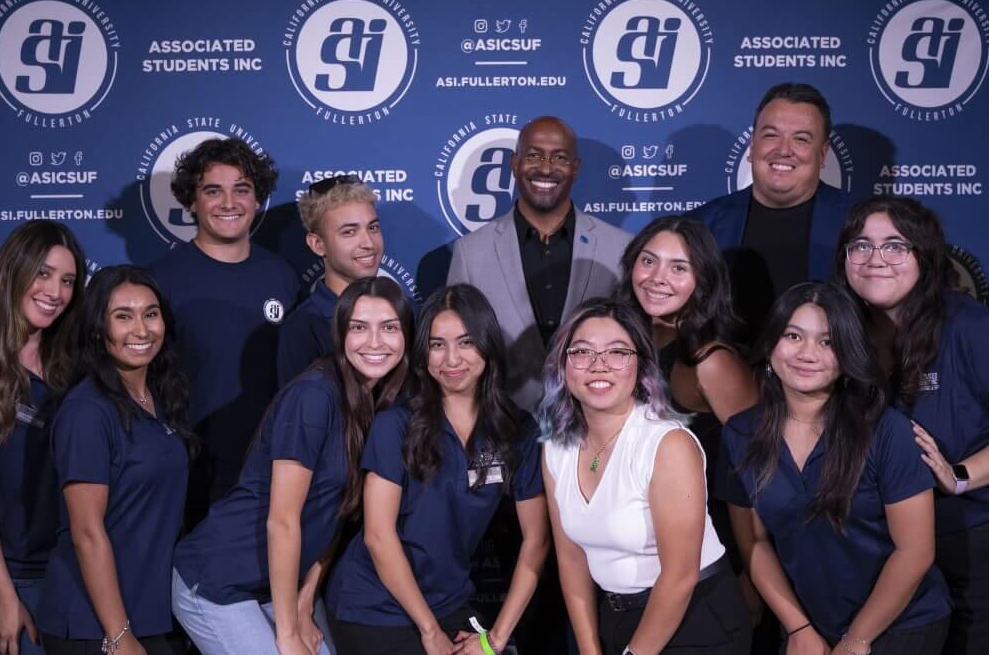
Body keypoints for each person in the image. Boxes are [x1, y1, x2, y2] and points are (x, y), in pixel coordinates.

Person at [171, 276, 413, 655]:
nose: (375, 342)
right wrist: (288, 633)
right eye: (359, 327)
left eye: (389, 328)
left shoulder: (378, 406)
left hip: (276, 584)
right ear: (340, 335)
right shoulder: (313, 396)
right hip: (218, 579)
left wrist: (304, 603)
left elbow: (335, 520)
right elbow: (282, 520)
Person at [718, 282, 951, 654]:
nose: (807, 354)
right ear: (770, 347)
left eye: (827, 342)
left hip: (899, 622)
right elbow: (756, 543)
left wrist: (857, 639)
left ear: (848, 358)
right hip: (808, 622)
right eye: (793, 336)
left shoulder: (887, 431)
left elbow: (915, 551)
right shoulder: (740, 433)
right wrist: (798, 627)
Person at [325, 284, 548, 655]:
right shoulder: (396, 424)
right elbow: (378, 536)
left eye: (465, 342)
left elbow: (537, 541)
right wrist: (429, 631)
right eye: (437, 344)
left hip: (450, 602)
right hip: (375, 607)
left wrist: (495, 639)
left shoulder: (517, 430)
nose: (451, 359)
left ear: (488, 346)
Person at [540, 298, 751, 655]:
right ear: (563, 364)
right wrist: (589, 648)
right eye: (582, 352)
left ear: (641, 365)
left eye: (618, 352)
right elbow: (571, 559)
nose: (599, 366)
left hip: (696, 618)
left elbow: (680, 576)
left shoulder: (668, 444)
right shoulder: (556, 448)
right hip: (616, 616)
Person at [833, 197, 989, 654]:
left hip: (967, 544)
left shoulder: (970, 328)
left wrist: (960, 476)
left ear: (924, 255)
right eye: (860, 245)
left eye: (895, 246)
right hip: (876, 550)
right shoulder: (842, 330)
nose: (875, 259)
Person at [37, 266, 195, 655]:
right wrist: (118, 635)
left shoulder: (159, 397)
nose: (141, 330)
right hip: (98, 626)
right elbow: (86, 531)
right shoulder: (87, 411)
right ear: (97, 329)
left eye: (151, 313)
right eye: (123, 316)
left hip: (151, 614)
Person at [615, 215, 761, 621]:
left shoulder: (710, 362)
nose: (658, 278)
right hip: (633, 559)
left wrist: (753, 577)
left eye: (679, 267)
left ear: (704, 279)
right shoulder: (618, 344)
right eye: (649, 261)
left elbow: (758, 477)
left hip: (709, 564)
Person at [149, 137, 300, 525]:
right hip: (190, 475)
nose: (229, 203)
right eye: (213, 191)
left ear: (257, 199)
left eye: (242, 190)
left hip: (271, 471)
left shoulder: (282, 275)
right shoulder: (160, 280)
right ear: (192, 200)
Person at [447, 115, 631, 413]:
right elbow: (458, 351)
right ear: (514, 163)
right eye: (534, 155)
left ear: (576, 168)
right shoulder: (471, 253)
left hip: (596, 426)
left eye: (559, 157)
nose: (546, 168)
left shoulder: (620, 248)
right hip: (503, 428)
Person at [0, 221, 85, 655]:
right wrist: (2, 596)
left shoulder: (75, 367)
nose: (55, 291)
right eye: (43, 273)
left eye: (68, 280)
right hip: (17, 574)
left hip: (80, 567)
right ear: (13, 272)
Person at [687, 83, 853, 343]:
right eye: (771, 135)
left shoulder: (859, 224)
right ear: (753, 146)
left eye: (801, 139)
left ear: (822, 154)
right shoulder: (700, 225)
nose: (784, 150)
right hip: (726, 379)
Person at [277, 175, 384, 387]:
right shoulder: (303, 328)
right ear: (317, 244)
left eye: (372, 228)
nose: (368, 243)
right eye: (349, 232)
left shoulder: (407, 311)